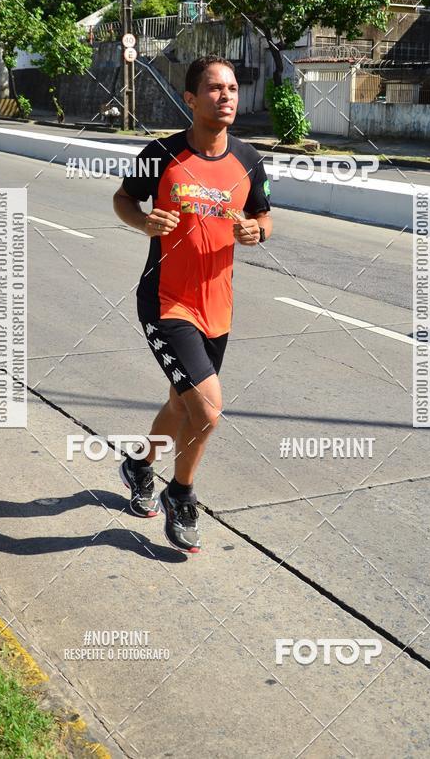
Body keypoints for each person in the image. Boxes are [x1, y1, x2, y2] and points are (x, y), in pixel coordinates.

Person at [112, 55, 272, 553]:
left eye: (232, 88)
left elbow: (265, 217)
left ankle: (139, 464)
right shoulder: (161, 154)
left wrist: (256, 232)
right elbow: (123, 199)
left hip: (218, 307)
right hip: (166, 302)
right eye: (214, 88)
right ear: (190, 99)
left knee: (181, 404)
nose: (226, 96)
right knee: (207, 408)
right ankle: (181, 494)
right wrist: (144, 224)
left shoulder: (248, 159)